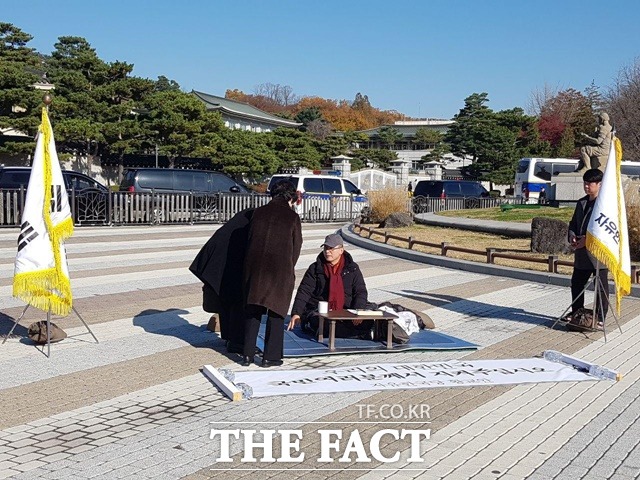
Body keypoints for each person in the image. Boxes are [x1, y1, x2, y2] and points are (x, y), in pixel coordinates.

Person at [242, 180, 302, 367]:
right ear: (290, 197)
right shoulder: (292, 218)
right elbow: (296, 246)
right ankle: (271, 356)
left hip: (255, 268)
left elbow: (249, 239)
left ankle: (247, 354)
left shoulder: (257, 213)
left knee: (253, 310)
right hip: (279, 269)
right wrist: (289, 265)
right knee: (276, 312)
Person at [189, 208, 253, 354]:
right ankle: (236, 342)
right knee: (236, 303)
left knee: (226, 301)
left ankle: (229, 338)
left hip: (216, 267)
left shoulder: (234, 225)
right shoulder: (244, 228)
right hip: (223, 267)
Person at [287, 233, 373, 339]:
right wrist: (297, 313)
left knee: (368, 322)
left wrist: (359, 310)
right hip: (320, 312)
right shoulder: (315, 268)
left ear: (341, 250)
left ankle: (352, 332)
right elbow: (304, 291)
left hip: (346, 311)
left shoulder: (352, 268)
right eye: (326, 248)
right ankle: (355, 334)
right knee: (322, 325)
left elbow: (360, 291)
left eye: (331, 248)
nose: (327, 251)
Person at [567, 168, 609, 327]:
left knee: (600, 287)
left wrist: (588, 240)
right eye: (585, 183)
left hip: (598, 253)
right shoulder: (581, 202)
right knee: (577, 283)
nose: (587, 186)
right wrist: (572, 235)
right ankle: (577, 312)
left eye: (590, 183)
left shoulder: (605, 205)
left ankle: (600, 318)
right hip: (581, 253)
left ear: (599, 184)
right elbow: (573, 223)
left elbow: (605, 230)